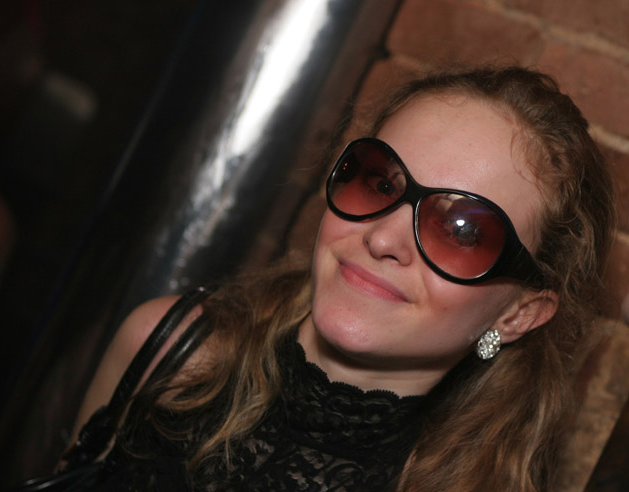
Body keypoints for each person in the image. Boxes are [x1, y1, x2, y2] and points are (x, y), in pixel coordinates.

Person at [66, 66, 615, 491]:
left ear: (519, 313)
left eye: (462, 230)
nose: (383, 238)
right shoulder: (166, 352)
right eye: (380, 183)